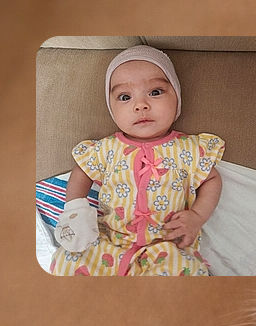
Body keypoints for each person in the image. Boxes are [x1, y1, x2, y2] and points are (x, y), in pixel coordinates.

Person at [50, 45, 223, 276]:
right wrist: (76, 209)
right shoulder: (106, 148)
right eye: (125, 97)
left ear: (177, 98)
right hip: (107, 240)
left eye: (155, 92)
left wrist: (197, 216)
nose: (140, 105)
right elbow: (82, 170)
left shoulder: (190, 148)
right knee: (66, 261)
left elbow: (211, 179)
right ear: (112, 109)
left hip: (167, 245)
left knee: (185, 271)